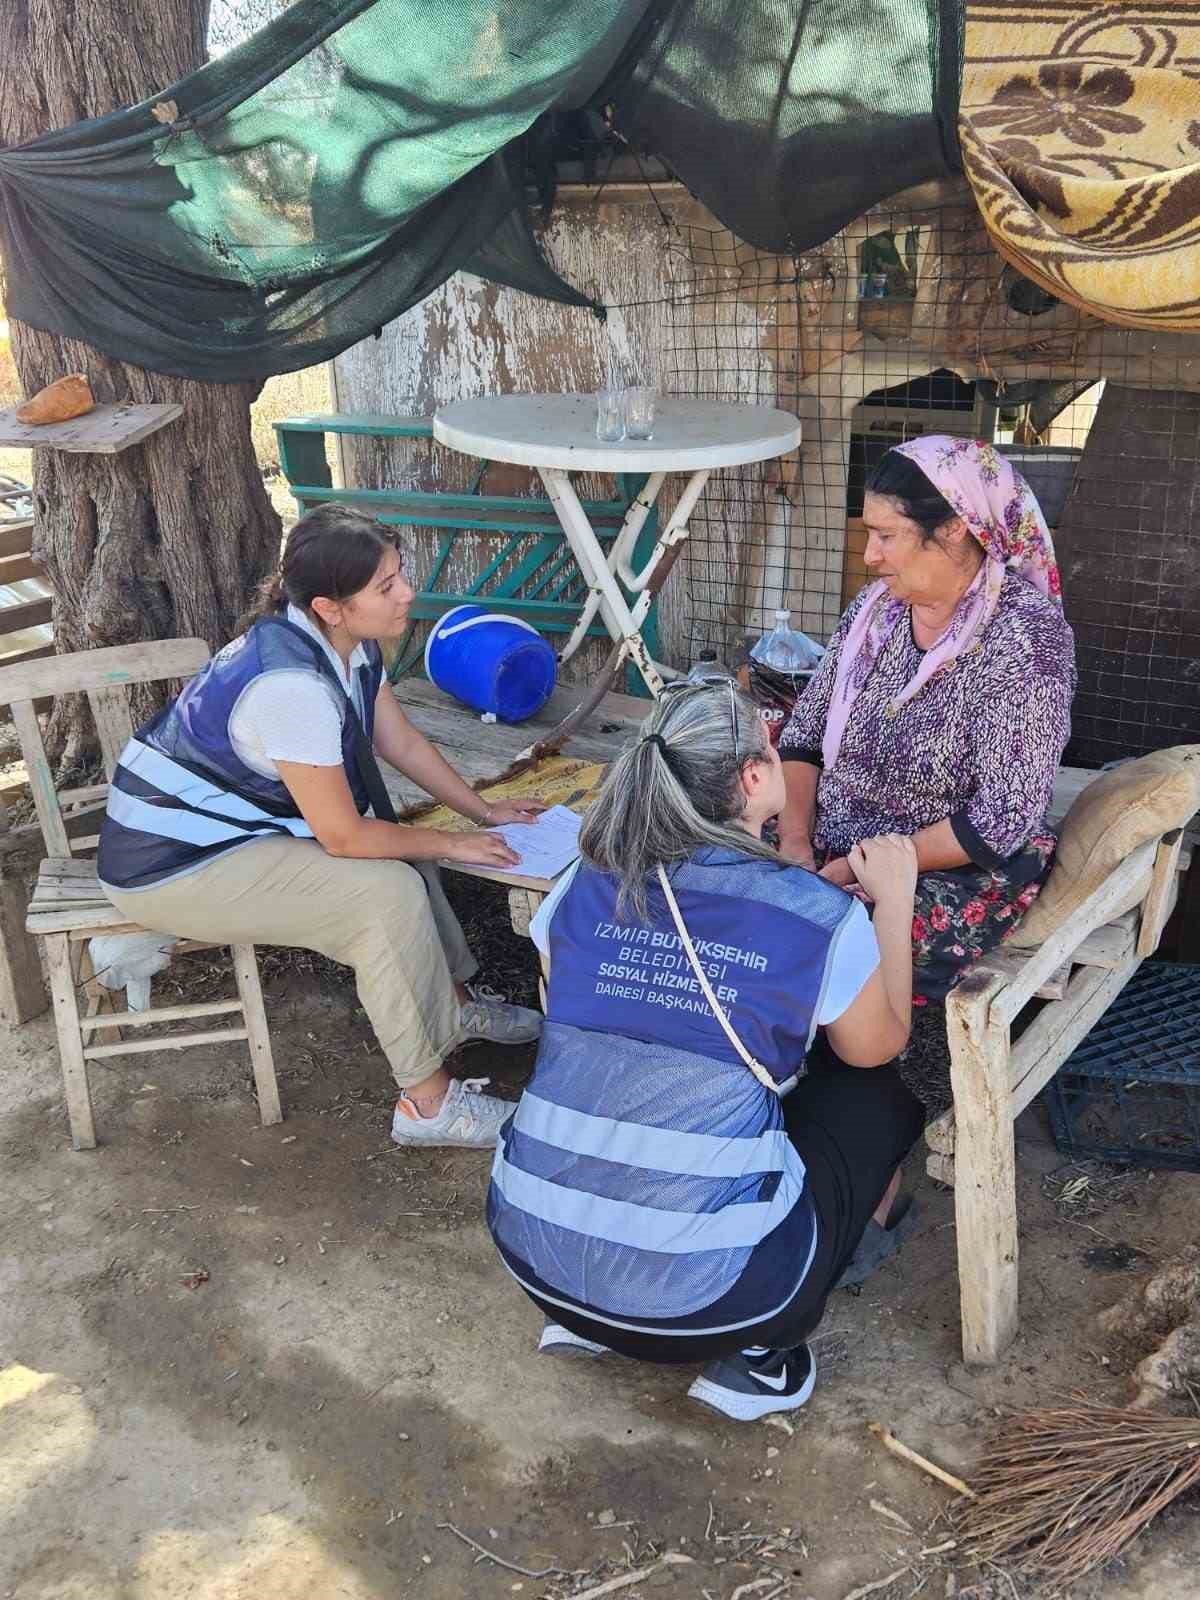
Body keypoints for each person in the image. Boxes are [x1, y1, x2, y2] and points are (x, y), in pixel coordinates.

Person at [486, 681, 924, 1422]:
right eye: (772, 748)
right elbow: (880, 1047)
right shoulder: (815, 914)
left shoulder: (582, 884)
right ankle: (763, 1356)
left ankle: (589, 1306)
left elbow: (572, 1013)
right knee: (876, 1097)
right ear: (753, 778)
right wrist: (896, 898)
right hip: (713, 1305)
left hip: (535, 1260)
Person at [96, 504, 545, 1150]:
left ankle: (452, 1007)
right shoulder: (292, 689)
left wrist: (482, 811)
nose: (407, 593)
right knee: (382, 893)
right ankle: (427, 1105)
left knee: (402, 844)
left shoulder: (343, 643)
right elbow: (344, 838)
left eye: (400, 575)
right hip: (168, 864)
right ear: (330, 606)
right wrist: (452, 841)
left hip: (218, 832)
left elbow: (399, 740)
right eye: (386, 586)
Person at [778, 436, 1077, 1005]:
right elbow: (804, 737)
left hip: (945, 864)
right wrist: (794, 842)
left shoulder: (1023, 638)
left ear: (955, 528)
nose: (869, 556)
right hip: (833, 834)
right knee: (721, 871)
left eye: (886, 536)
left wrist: (856, 870)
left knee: (837, 935)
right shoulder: (875, 612)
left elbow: (1001, 818)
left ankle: (866, 1047)